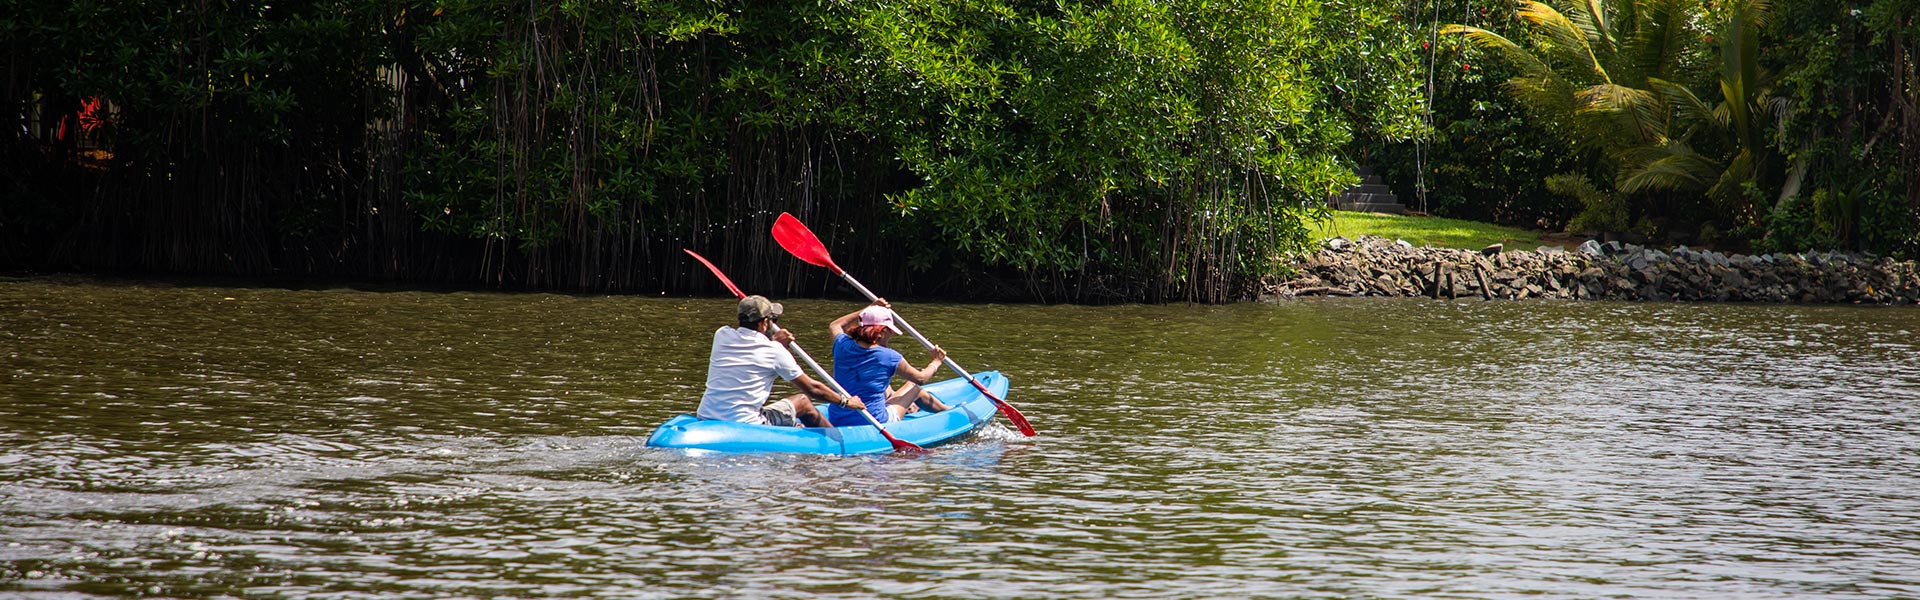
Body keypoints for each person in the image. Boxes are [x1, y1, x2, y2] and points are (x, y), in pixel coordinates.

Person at [697, 295, 863, 428]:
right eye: (772, 320)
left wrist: (775, 343)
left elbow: (753, 350)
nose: (773, 324)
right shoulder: (774, 351)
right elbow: (813, 389)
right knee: (803, 402)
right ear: (763, 323)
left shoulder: (721, 335)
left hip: (706, 415)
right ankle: (834, 443)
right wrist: (846, 401)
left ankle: (794, 427)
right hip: (745, 423)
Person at [823, 299, 951, 427]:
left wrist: (869, 308)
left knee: (884, 385)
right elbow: (920, 378)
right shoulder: (889, 356)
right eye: (890, 330)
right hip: (875, 421)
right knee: (914, 387)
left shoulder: (842, 344)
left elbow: (835, 325)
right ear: (882, 332)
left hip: (837, 418)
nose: (892, 334)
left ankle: (909, 406)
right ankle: (949, 412)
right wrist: (936, 361)